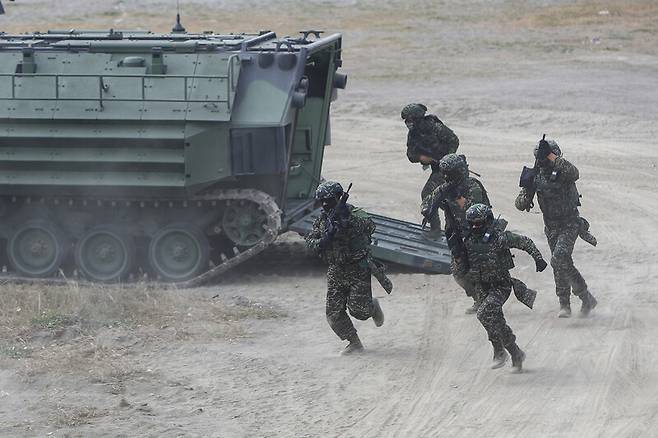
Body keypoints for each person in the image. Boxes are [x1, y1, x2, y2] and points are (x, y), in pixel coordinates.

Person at [424, 153, 537, 315]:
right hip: (458, 236)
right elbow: (428, 201)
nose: (447, 177)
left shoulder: (472, 187)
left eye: (450, 173)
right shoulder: (446, 188)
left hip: (479, 235)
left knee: (492, 272)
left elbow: (476, 211)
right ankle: (480, 298)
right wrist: (429, 207)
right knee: (460, 273)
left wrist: (460, 202)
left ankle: (497, 296)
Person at [515, 137, 598, 318]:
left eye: (549, 156)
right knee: (561, 264)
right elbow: (519, 204)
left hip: (570, 223)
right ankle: (569, 303)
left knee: (558, 258)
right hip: (551, 226)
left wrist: (554, 158)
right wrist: (526, 195)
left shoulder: (564, 171)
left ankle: (583, 296)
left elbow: (575, 173)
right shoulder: (534, 175)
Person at [463, 204, 548, 372]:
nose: (474, 227)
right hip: (481, 287)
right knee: (497, 322)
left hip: (500, 286)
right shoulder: (468, 240)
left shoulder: (499, 238)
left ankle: (499, 350)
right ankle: (516, 354)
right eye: (471, 224)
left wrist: (538, 258)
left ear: (487, 222)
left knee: (483, 314)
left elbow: (525, 242)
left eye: (478, 224)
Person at [305, 181, 385, 355]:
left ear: (338, 198)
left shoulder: (354, 213)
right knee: (333, 313)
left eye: (328, 200)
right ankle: (354, 343)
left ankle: (371, 306)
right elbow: (310, 242)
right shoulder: (322, 219)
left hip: (357, 268)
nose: (325, 204)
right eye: (322, 201)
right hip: (336, 269)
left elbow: (370, 226)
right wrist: (323, 240)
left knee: (360, 312)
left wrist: (348, 220)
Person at [401, 103, 459, 239]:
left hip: (449, 169)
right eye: (406, 121)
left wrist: (447, 160)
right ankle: (458, 223)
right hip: (436, 168)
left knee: (428, 194)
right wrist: (421, 157)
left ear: (417, 119)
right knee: (446, 200)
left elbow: (454, 141)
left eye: (409, 120)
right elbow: (410, 154)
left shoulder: (435, 127)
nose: (407, 123)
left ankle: (435, 230)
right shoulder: (413, 134)